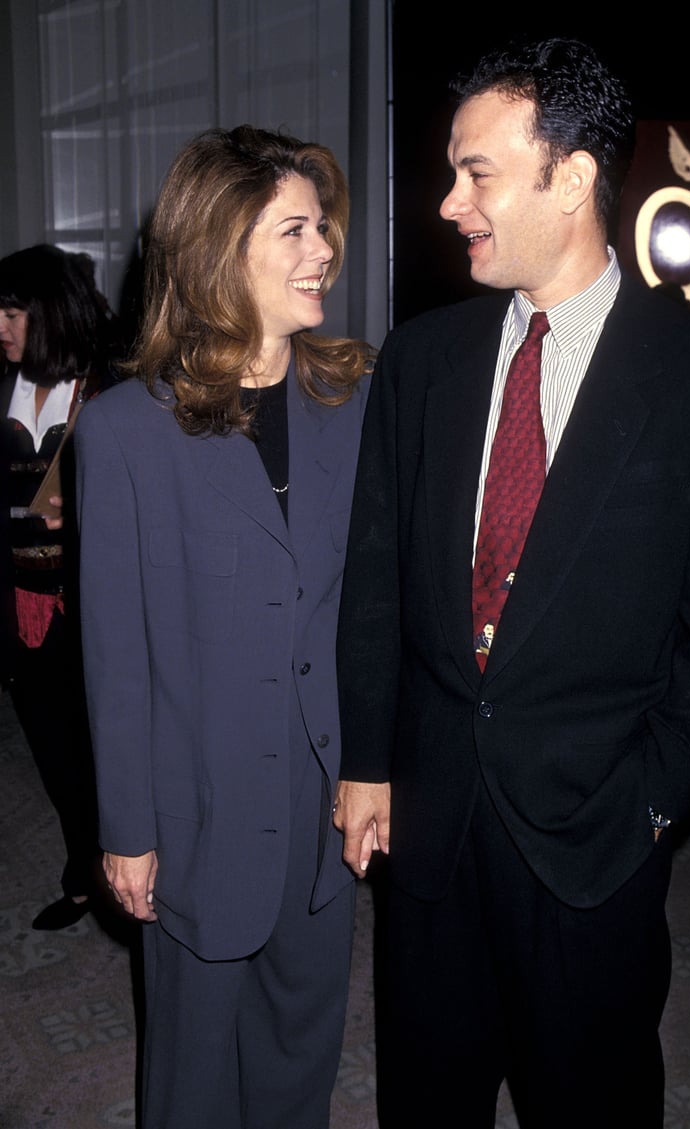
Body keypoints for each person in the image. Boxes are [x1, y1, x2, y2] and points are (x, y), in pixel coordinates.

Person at [333, 37, 690, 1129]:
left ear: (572, 178)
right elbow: (379, 575)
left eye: (475, 172)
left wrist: (650, 801)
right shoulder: (422, 359)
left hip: (596, 836)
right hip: (432, 825)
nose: (449, 203)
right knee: (427, 1097)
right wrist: (366, 761)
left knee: (590, 1098)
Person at [73, 124, 374, 1129]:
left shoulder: (353, 401)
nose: (324, 249)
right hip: (196, 812)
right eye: (293, 229)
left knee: (302, 1056)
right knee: (194, 1078)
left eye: (322, 226)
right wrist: (128, 832)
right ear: (217, 250)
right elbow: (117, 658)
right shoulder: (125, 431)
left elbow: (371, 609)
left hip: (327, 806)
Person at [0, 243, 112, 930]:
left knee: (108, 754)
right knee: (53, 752)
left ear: (52, 313)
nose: (2, 328)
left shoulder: (105, 389)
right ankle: (81, 875)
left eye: (13, 313)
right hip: (18, 605)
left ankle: (123, 871)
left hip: (91, 607)